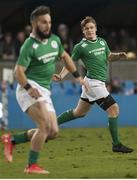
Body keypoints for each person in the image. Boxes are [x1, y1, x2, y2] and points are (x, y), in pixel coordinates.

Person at [1, 6, 88, 174]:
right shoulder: (29, 45)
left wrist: (77, 76)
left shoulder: (55, 40)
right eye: (43, 22)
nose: (47, 25)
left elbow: (65, 57)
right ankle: (31, 165)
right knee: (44, 127)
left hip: (44, 90)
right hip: (29, 87)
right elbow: (17, 72)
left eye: (49, 22)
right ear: (34, 24)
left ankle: (11, 140)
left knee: (53, 132)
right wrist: (28, 87)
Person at [54, 16, 133, 153]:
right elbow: (70, 63)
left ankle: (52, 124)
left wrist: (118, 55)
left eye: (91, 27)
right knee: (114, 109)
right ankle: (116, 144)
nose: (89, 30)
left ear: (96, 28)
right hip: (94, 84)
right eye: (86, 28)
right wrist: (61, 75)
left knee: (79, 113)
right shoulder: (81, 47)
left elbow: (108, 57)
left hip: (93, 83)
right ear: (83, 31)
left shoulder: (102, 42)